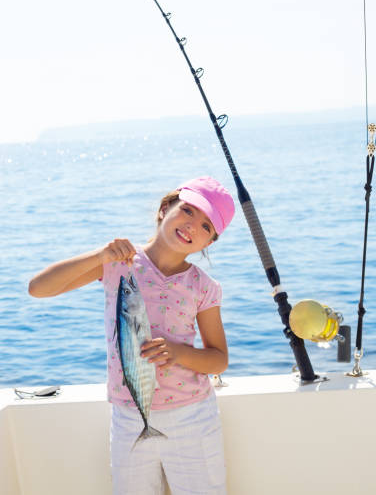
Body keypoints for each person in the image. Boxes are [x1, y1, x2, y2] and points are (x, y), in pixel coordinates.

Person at [29, 176, 235, 495]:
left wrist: (178, 352)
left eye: (207, 227)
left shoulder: (203, 286)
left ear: (209, 243)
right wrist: (100, 255)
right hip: (129, 416)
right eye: (188, 211)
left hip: (192, 418)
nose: (193, 225)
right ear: (165, 208)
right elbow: (39, 289)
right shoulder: (118, 265)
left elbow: (218, 360)